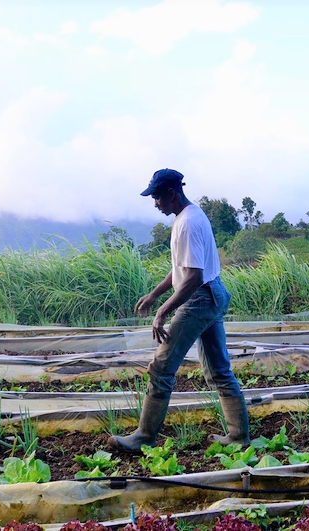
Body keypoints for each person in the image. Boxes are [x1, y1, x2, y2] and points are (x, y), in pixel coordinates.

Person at [107, 168, 249, 452]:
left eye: (157, 197)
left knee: (161, 368)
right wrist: (154, 294)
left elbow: (194, 277)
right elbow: (181, 270)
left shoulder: (187, 224)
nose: (155, 203)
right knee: (219, 370)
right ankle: (239, 436)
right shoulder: (190, 216)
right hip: (212, 292)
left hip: (201, 297)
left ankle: (144, 436)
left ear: (172, 193)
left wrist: (163, 312)